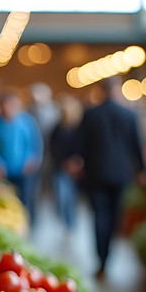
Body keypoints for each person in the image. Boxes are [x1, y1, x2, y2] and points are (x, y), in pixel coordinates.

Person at [76, 76, 146, 279]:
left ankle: (102, 260)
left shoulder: (91, 115)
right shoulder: (129, 115)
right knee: (115, 217)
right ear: (118, 90)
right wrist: (142, 170)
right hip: (120, 175)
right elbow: (138, 145)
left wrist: (77, 162)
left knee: (99, 217)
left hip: (96, 173)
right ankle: (109, 257)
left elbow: (81, 144)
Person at [0, 90, 44, 227]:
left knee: (27, 198)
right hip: (5, 170)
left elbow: (35, 143)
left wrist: (32, 159)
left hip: (25, 168)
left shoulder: (27, 121)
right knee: (9, 199)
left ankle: (29, 224)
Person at [48, 94, 83, 236]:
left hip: (76, 169)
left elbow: (82, 147)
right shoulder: (57, 129)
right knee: (63, 197)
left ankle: (70, 224)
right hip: (60, 168)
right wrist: (64, 162)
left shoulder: (79, 128)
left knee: (72, 199)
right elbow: (53, 148)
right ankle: (66, 222)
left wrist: (76, 162)